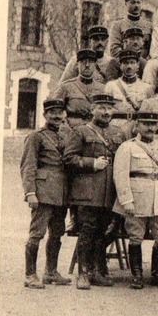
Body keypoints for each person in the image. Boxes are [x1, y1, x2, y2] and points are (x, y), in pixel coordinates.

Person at [112, 110, 158, 291]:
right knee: (135, 236)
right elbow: (120, 176)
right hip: (137, 197)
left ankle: (157, 273)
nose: (150, 127)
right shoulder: (127, 147)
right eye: (146, 124)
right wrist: (126, 201)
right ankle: (137, 276)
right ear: (137, 126)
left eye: (153, 124)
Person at [63, 93, 118, 288]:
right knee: (87, 231)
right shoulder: (81, 132)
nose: (105, 112)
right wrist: (91, 163)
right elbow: (69, 159)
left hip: (108, 192)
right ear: (92, 109)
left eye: (109, 108)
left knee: (103, 231)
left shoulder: (117, 133)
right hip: (87, 191)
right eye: (101, 107)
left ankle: (98, 272)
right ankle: (83, 274)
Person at [20, 96, 72, 288]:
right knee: (37, 234)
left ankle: (51, 272)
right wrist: (30, 193)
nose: (57, 116)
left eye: (60, 112)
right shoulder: (36, 137)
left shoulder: (67, 135)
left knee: (57, 233)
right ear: (45, 115)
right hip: (43, 192)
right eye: (52, 113)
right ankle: (30, 274)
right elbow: (28, 166)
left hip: (61, 193)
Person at [56, 48, 106, 126]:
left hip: (95, 131)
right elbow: (55, 111)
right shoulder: (66, 87)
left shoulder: (103, 89)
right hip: (72, 129)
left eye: (90, 62)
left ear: (95, 65)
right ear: (77, 65)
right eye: (83, 62)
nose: (87, 65)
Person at [104, 50, 153, 126]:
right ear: (120, 65)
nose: (129, 66)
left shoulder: (147, 88)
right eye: (126, 63)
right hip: (116, 126)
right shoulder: (111, 86)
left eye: (132, 63)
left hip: (136, 128)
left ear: (137, 65)